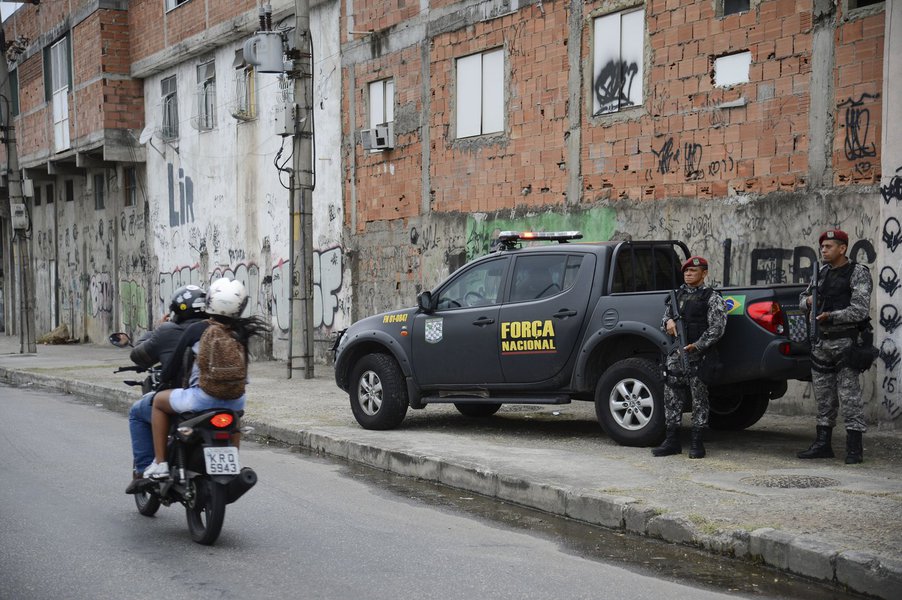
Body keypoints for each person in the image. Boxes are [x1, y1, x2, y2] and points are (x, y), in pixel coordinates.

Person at [142, 277, 270, 480]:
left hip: (201, 397)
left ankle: (160, 463)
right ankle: (233, 463)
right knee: (234, 420)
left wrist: (165, 380)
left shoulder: (197, 329)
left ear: (210, 300)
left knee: (158, 402)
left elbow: (172, 366)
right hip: (236, 399)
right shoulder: (241, 332)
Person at [797, 229, 873, 464]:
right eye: (822, 247)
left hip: (846, 341)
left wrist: (831, 315)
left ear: (842, 248)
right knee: (824, 397)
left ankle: (854, 448)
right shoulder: (820, 273)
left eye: (829, 246)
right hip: (822, 342)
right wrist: (808, 301)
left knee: (849, 396)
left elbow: (859, 309)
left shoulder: (857, 273)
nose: (824, 250)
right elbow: (802, 300)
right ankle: (822, 444)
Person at [126, 285, 207, 488]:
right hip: (220, 398)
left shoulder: (168, 331)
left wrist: (155, 331)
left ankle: (146, 470)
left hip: (183, 400)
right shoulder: (218, 330)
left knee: (137, 411)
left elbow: (139, 356)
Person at [653, 256, 727, 459]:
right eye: (686, 271)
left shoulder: (712, 297)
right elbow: (663, 320)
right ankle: (672, 441)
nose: (688, 274)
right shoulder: (677, 296)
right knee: (672, 397)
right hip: (677, 354)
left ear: (704, 273)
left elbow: (717, 328)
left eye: (693, 271)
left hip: (699, 356)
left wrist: (697, 345)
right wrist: (668, 321)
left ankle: (697, 442)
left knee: (699, 399)